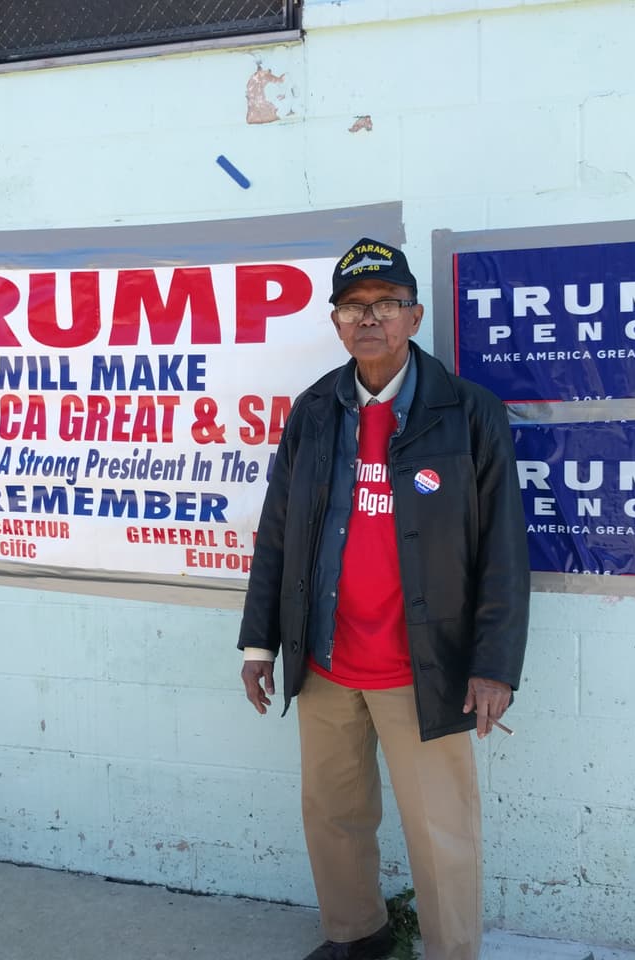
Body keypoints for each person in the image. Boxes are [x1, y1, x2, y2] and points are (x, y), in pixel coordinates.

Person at [237, 237, 530, 960]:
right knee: (333, 815)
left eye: (387, 305)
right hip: (328, 663)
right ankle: (354, 936)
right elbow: (277, 533)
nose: (371, 319)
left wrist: (494, 665)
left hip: (424, 669)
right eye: (354, 307)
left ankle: (451, 952)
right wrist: (258, 641)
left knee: (442, 831)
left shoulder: (467, 413)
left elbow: (503, 551)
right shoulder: (314, 412)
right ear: (337, 321)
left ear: (414, 315)